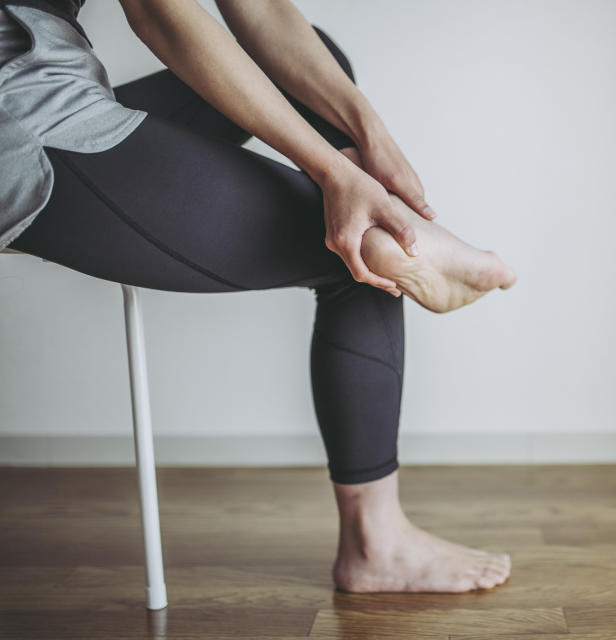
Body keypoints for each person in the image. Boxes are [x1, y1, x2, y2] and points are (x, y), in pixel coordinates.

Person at [0, 0, 516, 592]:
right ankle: (378, 544)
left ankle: (386, 227)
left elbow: (262, 9)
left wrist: (372, 138)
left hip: (55, 86)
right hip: (21, 121)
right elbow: (158, 12)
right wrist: (333, 174)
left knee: (321, 67)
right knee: (355, 256)